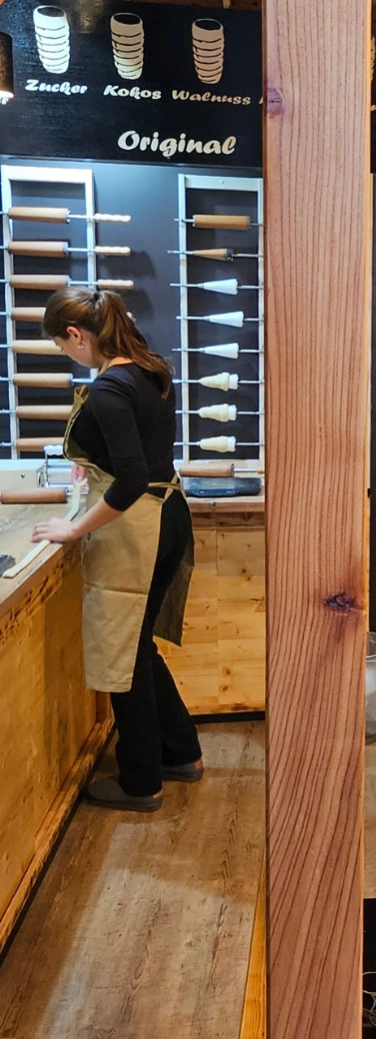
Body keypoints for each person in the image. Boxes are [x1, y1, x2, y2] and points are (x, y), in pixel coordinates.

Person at [31, 289, 202, 812]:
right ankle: (180, 752)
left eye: (62, 345)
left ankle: (141, 782)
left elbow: (130, 481)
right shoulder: (149, 369)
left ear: (77, 335)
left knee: (124, 650)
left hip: (139, 525)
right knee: (140, 645)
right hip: (169, 513)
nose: (66, 353)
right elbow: (140, 453)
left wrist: (73, 530)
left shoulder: (108, 390)